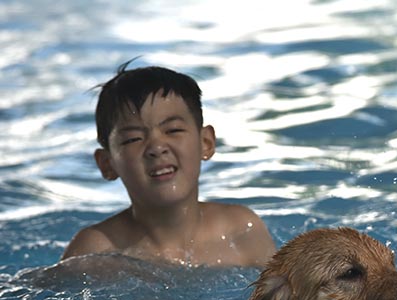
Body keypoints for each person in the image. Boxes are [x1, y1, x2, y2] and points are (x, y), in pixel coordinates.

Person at [61, 63, 275, 268]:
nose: (156, 147)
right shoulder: (94, 251)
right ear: (107, 164)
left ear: (206, 143)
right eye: (133, 139)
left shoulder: (241, 229)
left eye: (173, 130)